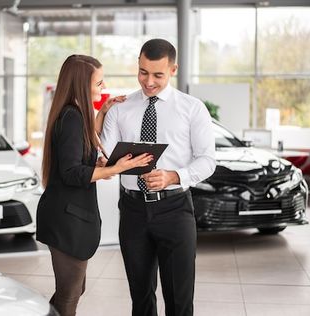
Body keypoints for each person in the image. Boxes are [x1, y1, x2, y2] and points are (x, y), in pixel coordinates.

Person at [100, 39, 216, 316]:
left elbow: (208, 160)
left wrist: (175, 175)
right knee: (140, 297)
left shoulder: (192, 108)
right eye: (142, 72)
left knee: (179, 298)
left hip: (175, 209)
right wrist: (106, 161)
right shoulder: (120, 108)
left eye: (157, 75)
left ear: (173, 69)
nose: (148, 81)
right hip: (132, 210)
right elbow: (104, 156)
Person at [36, 54, 153, 316]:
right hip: (66, 220)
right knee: (69, 296)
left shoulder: (73, 114)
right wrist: (116, 168)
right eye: (99, 82)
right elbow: (72, 173)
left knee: (74, 291)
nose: (102, 86)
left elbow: (80, 153)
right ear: (81, 84)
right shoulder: (72, 117)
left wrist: (102, 112)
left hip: (66, 217)